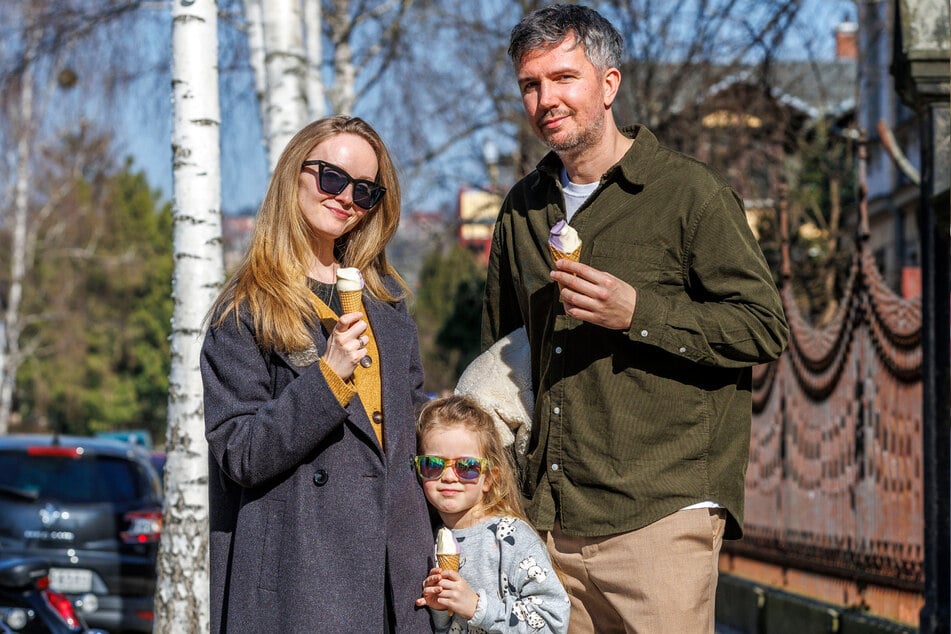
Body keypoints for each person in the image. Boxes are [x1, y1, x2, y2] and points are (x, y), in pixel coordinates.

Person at [482, 5, 790, 633]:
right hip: (550, 523)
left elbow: (764, 326)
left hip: (662, 514)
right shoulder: (521, 209)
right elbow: (503, 352)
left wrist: (638, 314)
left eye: (564, 78)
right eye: (531, 85)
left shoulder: (688, 194)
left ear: (609, 83)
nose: (546, 99)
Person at [200, 115, 434, 633]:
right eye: (331, 177)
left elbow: (408, 446)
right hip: (299, 581)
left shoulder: (390, 315)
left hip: (398, 579)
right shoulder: (246, 313)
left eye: (366, 190)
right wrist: (328, 379)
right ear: (293, 175)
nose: (346, 197)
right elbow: (240, 452)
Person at [415, 395, 570, 633]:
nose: (448, 476)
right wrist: (439, 612)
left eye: (466, 467)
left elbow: (552, 621)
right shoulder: (427, 538)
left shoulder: (511, 537)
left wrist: (477, 607)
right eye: (433, 464)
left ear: (489, 478)